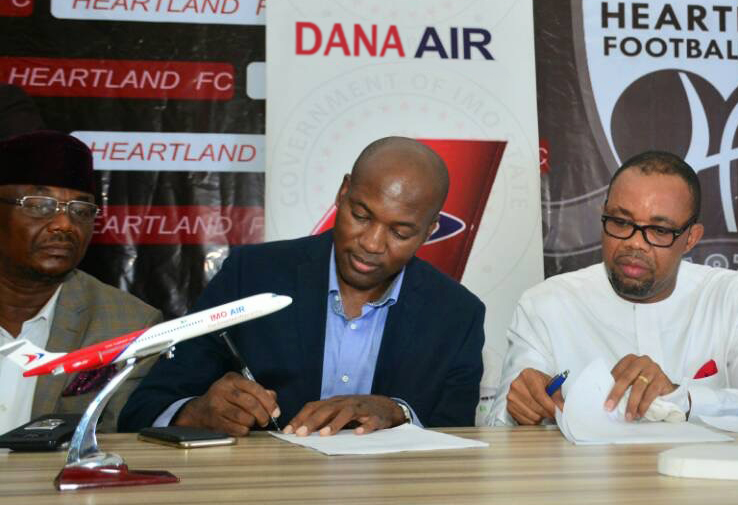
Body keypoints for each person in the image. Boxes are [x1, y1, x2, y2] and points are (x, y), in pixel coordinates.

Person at [119, 137, 485, 436]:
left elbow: (458, 435)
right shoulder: (252, 275)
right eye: (361, 215)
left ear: (431, 229)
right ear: (342, 192)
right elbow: (146, 406)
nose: (372, 243)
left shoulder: (457, 313)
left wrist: (399, 412)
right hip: (265, 504)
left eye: (400, 232)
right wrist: (195, 412)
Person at [486, 150, 738, 426]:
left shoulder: (735, 298)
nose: (634, 242)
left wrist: (682, 399)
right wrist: (518, 407)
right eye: (620, 222)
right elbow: (499, 423)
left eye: (659, 230)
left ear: (691, 238)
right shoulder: (546, 304)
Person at [0, 131, 161, 433]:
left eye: (81, 210)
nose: (64, 225)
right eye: (39, 204)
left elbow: (118, 442)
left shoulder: (128, 327)